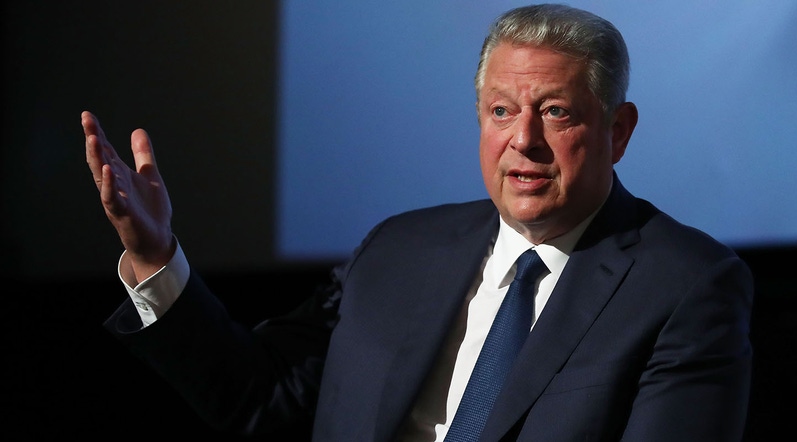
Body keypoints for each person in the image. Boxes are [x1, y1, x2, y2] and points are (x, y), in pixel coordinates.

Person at [83, 4, 753, 441]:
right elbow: (262, 400)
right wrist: (155, 258)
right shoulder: (398, 249)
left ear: (618, 130)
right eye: (500, 112)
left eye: (555, 112)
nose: (523, 139)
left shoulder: (684, 285)